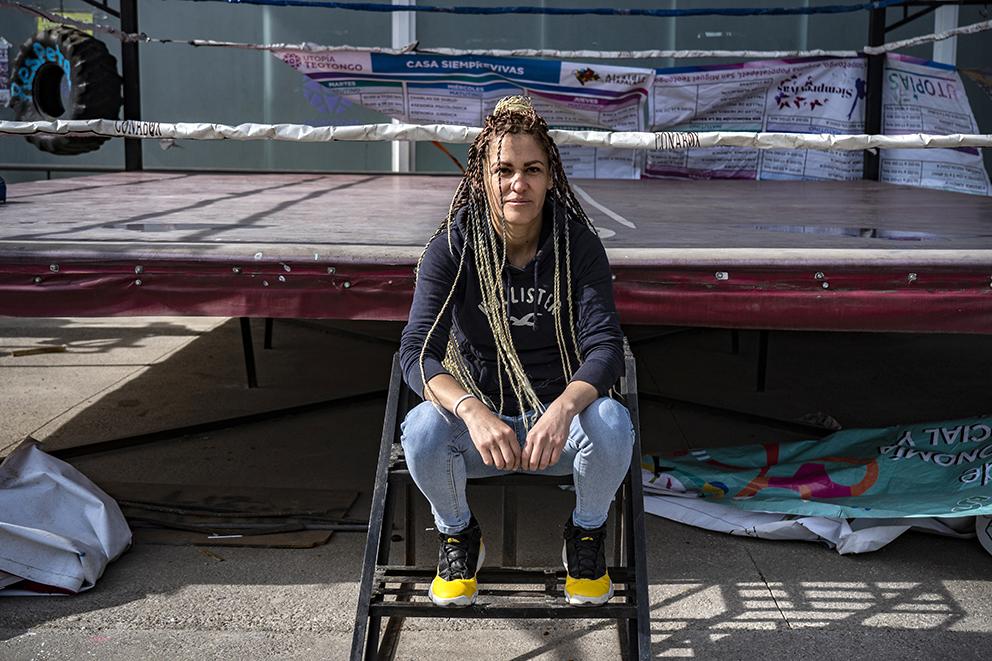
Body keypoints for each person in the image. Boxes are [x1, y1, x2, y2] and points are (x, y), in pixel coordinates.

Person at [399, 95, 634, 608]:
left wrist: (562, 411)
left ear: (550, 178)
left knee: (612, 423)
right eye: (503, 170)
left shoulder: (578, 246)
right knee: (420, 429)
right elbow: (417, 352)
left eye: (532, 169)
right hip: (481, 435)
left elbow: (605, 347)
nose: (517, 184)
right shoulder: (454, 246)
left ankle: (586, 534)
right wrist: (473, 412)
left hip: (556, 434)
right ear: (481, 178)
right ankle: (458, 535)